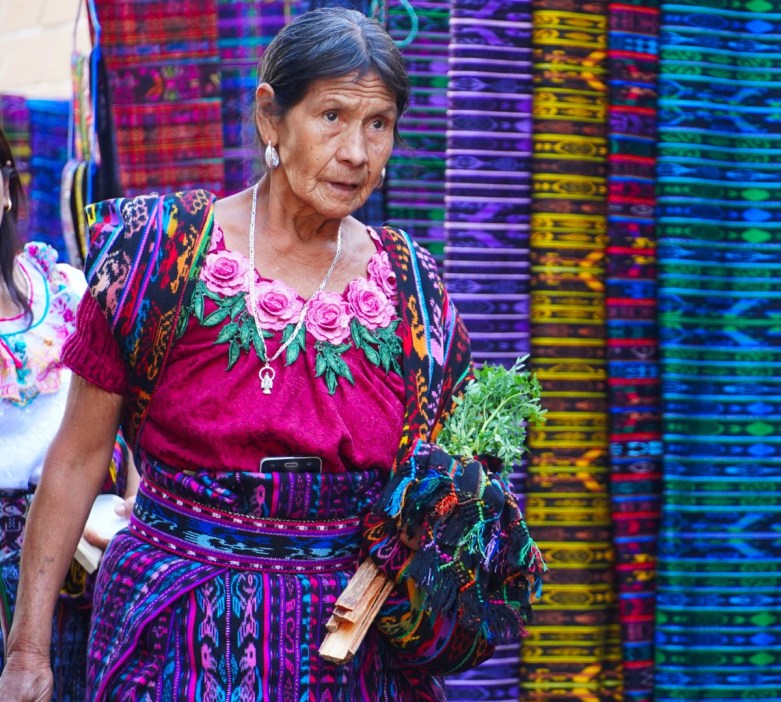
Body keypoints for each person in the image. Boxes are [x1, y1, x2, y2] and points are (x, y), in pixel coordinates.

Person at [0, 8, 541, 701]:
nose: (357, 151)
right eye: (332, 117)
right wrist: (27, 651)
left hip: (353, 651)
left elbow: (450, 470)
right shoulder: (160, 252)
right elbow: (75, 459)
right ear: (269, 117)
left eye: (378, 125)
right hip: (174, 638)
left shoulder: (412, 284)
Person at [0, 126, 132, 701]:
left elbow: (126, 400)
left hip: (86, 544)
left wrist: (134, 498)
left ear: (5, 190)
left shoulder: (66, 286)